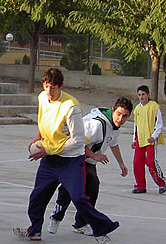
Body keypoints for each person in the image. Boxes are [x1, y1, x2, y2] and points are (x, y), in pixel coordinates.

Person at [13, 68, 119, 244]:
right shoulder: (42, 98)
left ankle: (101, 229)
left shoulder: (71, 107)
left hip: (70, 161)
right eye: (46, 86)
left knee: (78, 198)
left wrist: (48, 150)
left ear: (61, 86)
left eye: (53, 87)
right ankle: (35, 230)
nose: (49, 92)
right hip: (50, 159)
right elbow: (43, 120)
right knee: (37, 196)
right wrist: (38, 137)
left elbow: (78, 141)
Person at [48, 97, 133, 235]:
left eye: (125, 116)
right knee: (69, 189)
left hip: (88, 161)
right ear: (113, 110)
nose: (120, 119)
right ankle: (56, 217)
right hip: (75, 157)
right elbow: (78, 141)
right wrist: (94, 155)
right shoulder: (97, 125)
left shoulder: (115, 127)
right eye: (118, 114)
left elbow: (113, 143)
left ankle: (81, 223)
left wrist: (121, 163)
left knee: (92, 187)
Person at [132, 85, 166, 194]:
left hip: (150, 139)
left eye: (143, 94)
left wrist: (154, 136)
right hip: (140, 139)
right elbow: (136, 125)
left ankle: (162, 182)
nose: (141, 97)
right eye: (139, 95)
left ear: (148, 95)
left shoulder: (154, 107)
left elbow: (159, 124)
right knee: (137, 162)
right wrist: (134, 139)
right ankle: (140, 185)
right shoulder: (137, 109)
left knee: (150, 161)